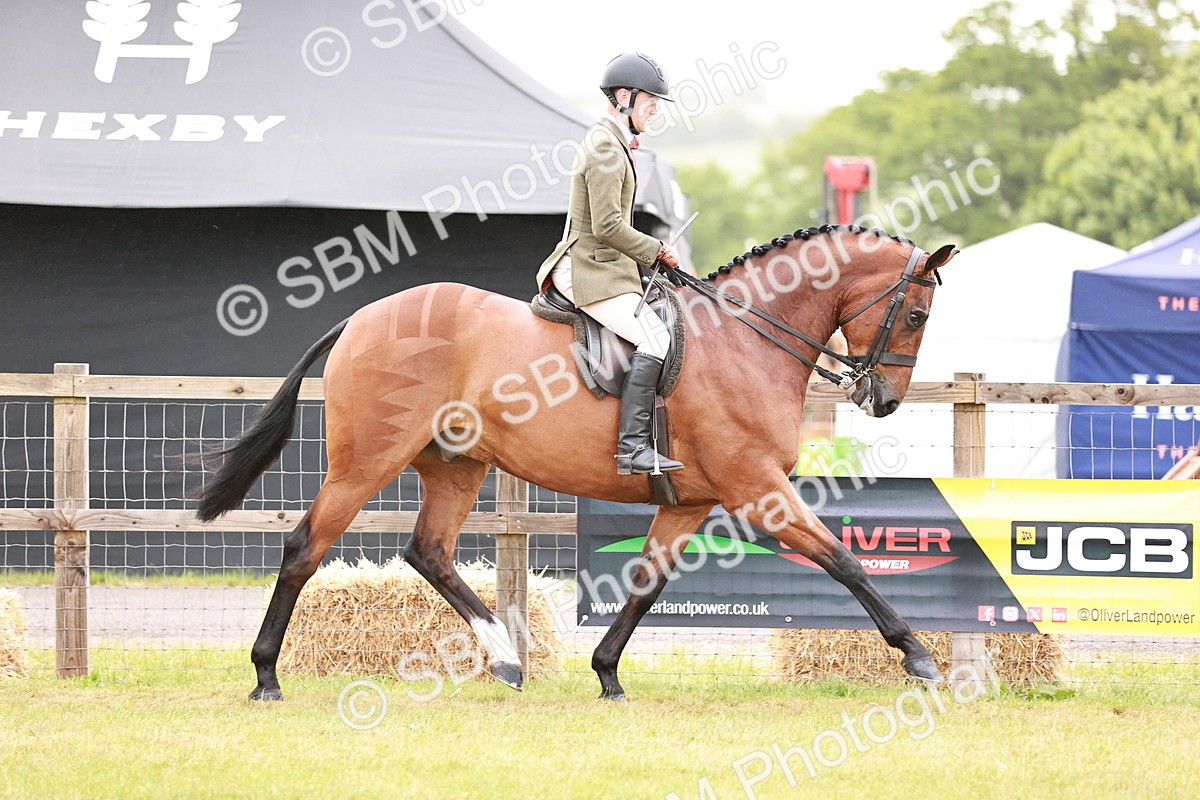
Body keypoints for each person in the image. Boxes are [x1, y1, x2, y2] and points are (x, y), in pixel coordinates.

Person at [535, 52, 685, 476]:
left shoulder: (613, 142)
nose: (654, 111)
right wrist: (654, 249)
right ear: (625, 96)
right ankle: (632, 447)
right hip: (586, 267)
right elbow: (606, 226)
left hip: (606, 263)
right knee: (655, 339)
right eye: (650, 102)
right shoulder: (605, 146)